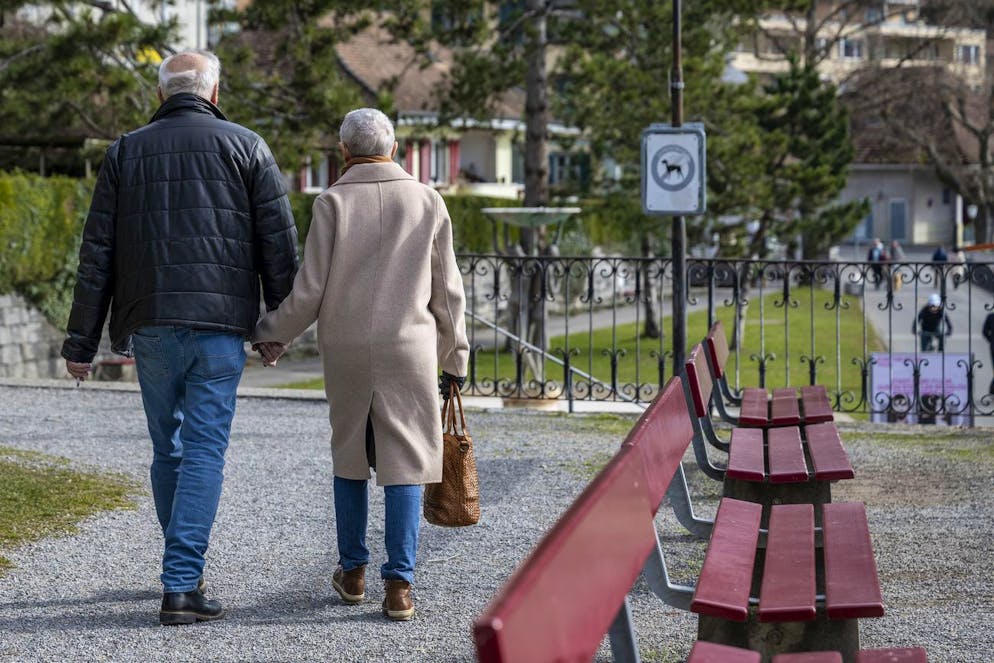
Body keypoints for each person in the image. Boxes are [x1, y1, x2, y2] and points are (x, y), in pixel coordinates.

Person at [61, 50, 299, 625]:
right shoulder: (248, 146)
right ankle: (182, 582)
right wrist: (278, 328)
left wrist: (80, 342)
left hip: (150, 324)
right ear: (215, 93)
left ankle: (181, 571)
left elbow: (97, 255)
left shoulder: (125, 151)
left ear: (161, 94)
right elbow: (278, 245)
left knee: (167, 448)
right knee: (204, 451)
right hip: (219, 327)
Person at [252, 108, 469, 622]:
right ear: (393, 148)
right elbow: (447, 291)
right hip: (408, 347)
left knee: (349, 455)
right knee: (407, 459)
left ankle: (352, 572)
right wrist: (455, 356)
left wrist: (269, 333)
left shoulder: (331, 202)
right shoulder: (427, 200)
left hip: (347, 346)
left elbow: (309, 291)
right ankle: (400, 586)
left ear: (344, 151)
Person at [984, 312, 994, 394]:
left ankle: (992, 390)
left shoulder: (991, 316)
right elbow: (985, 331)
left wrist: (991, 340)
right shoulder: (991, 316)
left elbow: (985, 331)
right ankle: (992, 390)